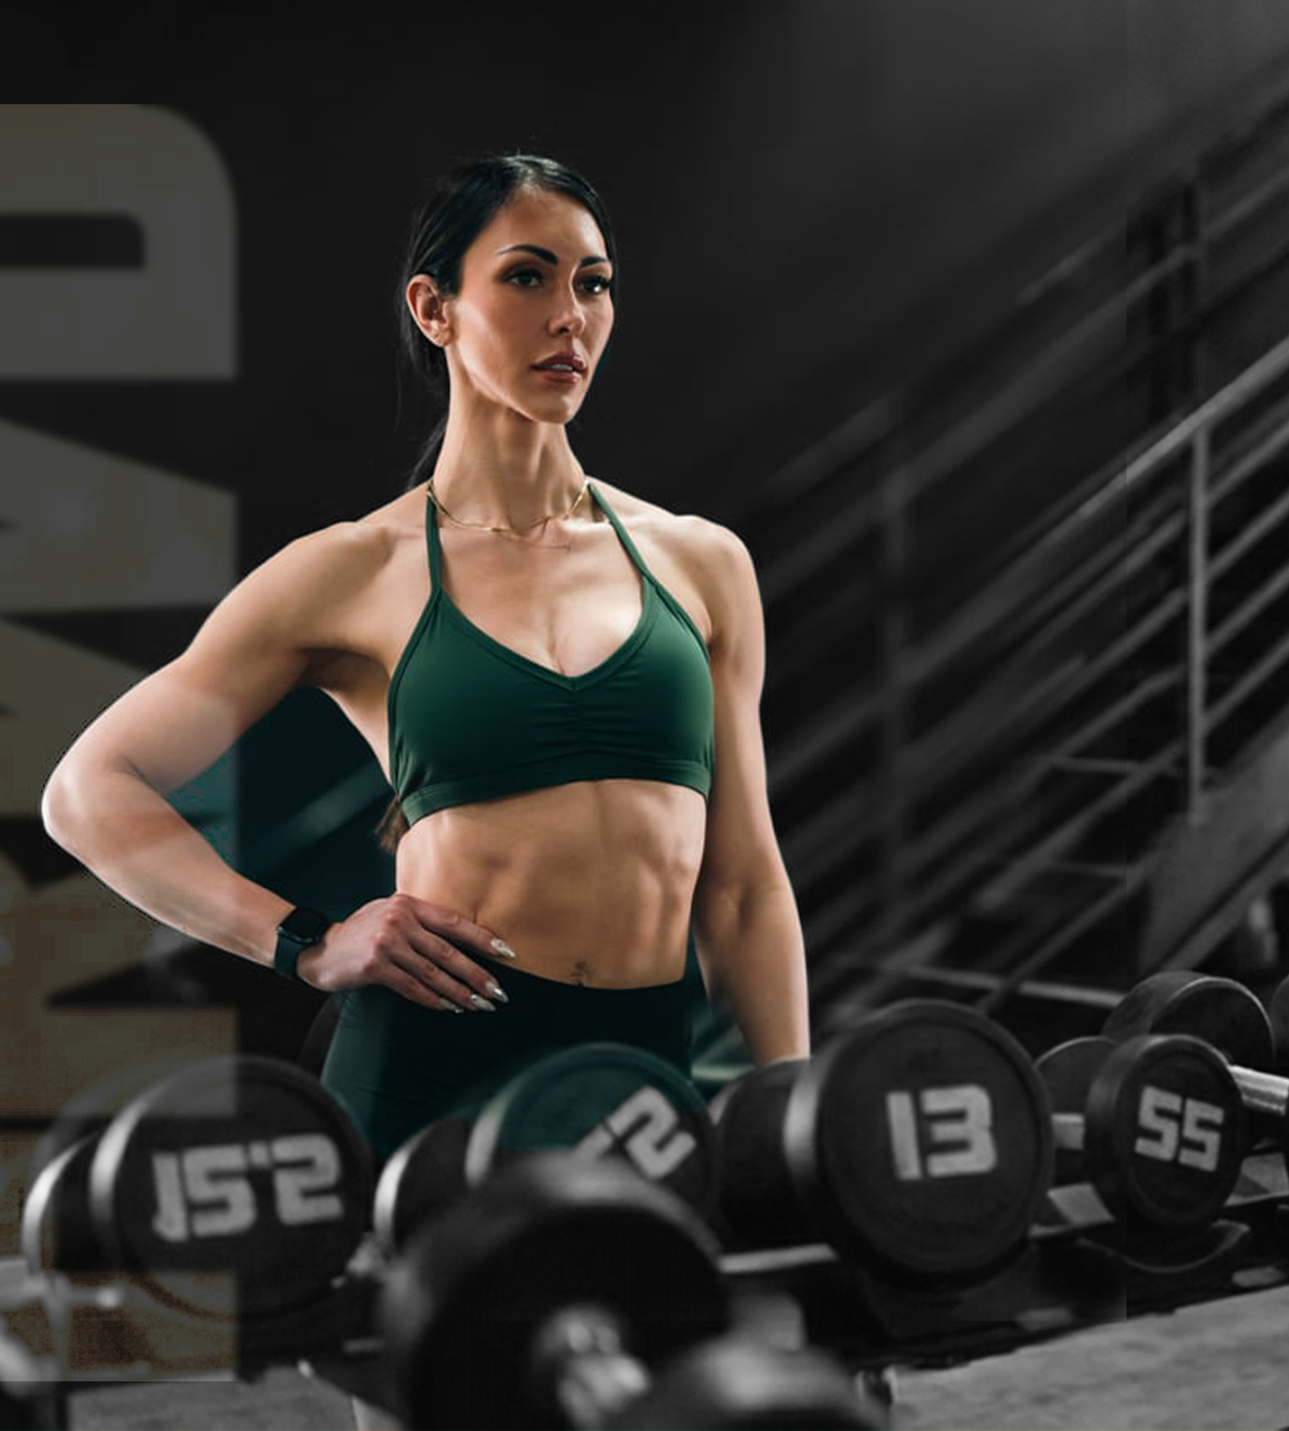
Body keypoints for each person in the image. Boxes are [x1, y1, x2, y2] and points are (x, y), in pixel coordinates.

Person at [39, 153, 809, 1174]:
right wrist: (304, 943)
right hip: (431, 1067)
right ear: (434, 308)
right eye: (528, 276)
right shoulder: (354, 571)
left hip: (636, 1072)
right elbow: (87, 791)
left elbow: (744, 886)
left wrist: (787, 1115)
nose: (570, 315)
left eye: (594, 282)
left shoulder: (701, 562)